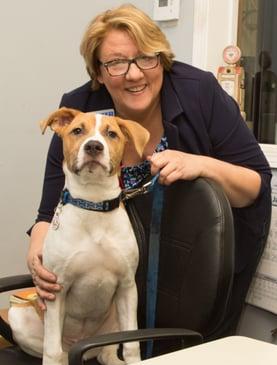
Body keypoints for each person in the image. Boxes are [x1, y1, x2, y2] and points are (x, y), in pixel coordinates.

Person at [27, 4, 271, 338]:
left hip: (188, 273)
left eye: (146, 57)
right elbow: (49, 208)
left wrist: (200, 164)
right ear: (97, 72)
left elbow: (255, 184)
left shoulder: (199, 91)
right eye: (116, 63)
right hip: (109, 282)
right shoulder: (80, 110)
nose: (135, 73)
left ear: (161, 58)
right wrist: (37, 254)